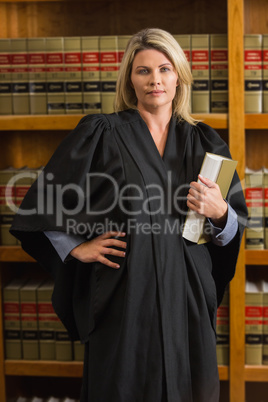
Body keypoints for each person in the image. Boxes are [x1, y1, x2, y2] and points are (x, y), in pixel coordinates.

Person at [10, 28, 247, 402]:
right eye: (143, 71)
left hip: (186, 296)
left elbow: (231, 230)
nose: (155, 80)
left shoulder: (204, 141)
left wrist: (220, 213)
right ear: (130, 79)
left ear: (179, 76)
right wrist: (76, 248)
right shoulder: (101, 134)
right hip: (125, 295)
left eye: (165, 69)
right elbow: (40, 207)